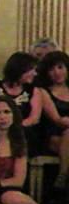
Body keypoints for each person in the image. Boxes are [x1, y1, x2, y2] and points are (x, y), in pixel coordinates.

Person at [34, 50, 69, 196]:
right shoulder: (43, 91)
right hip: (52, 135)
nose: (57, 72)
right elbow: (57, 120)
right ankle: (63, 175)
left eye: (60, 67)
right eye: (52, 69)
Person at [0, 51, 46, 156]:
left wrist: (12, 127)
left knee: (21, 136)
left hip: (23, 130)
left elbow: (34, 118)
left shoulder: (34, 90)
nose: (35, 73)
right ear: (19, 70)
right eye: (32, 70)